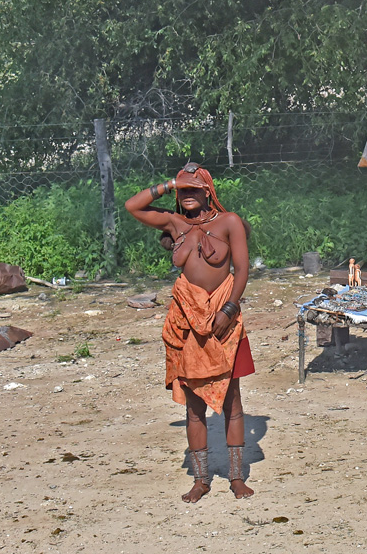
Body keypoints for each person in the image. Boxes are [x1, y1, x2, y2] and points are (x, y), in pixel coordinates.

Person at [124, 162, 255, 502]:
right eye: (183, 191)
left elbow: (241, 270)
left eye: (194, 189)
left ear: (208, 190)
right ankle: (201, 481)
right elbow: (132, 206)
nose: (188, 195)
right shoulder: (175, 222)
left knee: (233, 401)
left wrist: (228, 309)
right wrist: (170, 183)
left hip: (224, 321)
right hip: (186, 321)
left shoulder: (229, 222)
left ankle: (237, 478)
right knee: (194, 406)